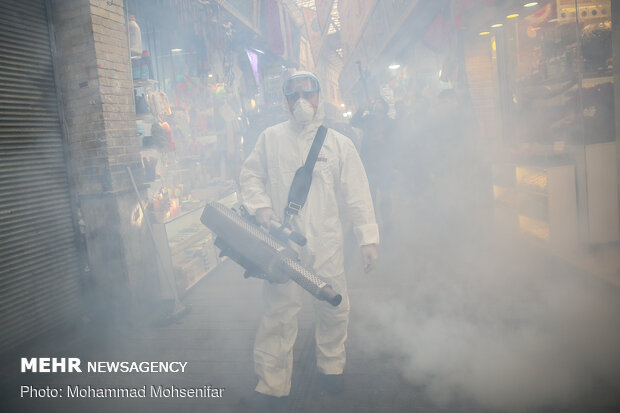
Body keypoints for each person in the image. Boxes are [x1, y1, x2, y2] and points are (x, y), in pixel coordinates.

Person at [239, 71, 379, 411]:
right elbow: (250, 176)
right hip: (281, 240)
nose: (302, 101)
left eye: (308, 93)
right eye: (294, 95)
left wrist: (368, 238)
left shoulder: (337, 143)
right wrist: (260, 209)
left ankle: (331, 366)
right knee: (279, 311)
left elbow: (357, 193)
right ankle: (272, 385)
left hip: (326, 239)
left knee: (333, 305)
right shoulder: (270, 139)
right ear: (286, 102)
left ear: (319, 98)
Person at [350, 97, 395, 239]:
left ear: (385, 106)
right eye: (375, 103)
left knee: (386, 194)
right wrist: (362, 108)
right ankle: (373, 224)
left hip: (385, 163)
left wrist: (385, 140)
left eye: (379, 102)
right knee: (371, 195)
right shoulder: (368, 119)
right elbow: (353, 122)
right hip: (369, 162)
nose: (377, 105)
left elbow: (397, 140)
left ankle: (387, 223)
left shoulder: (391, 122)